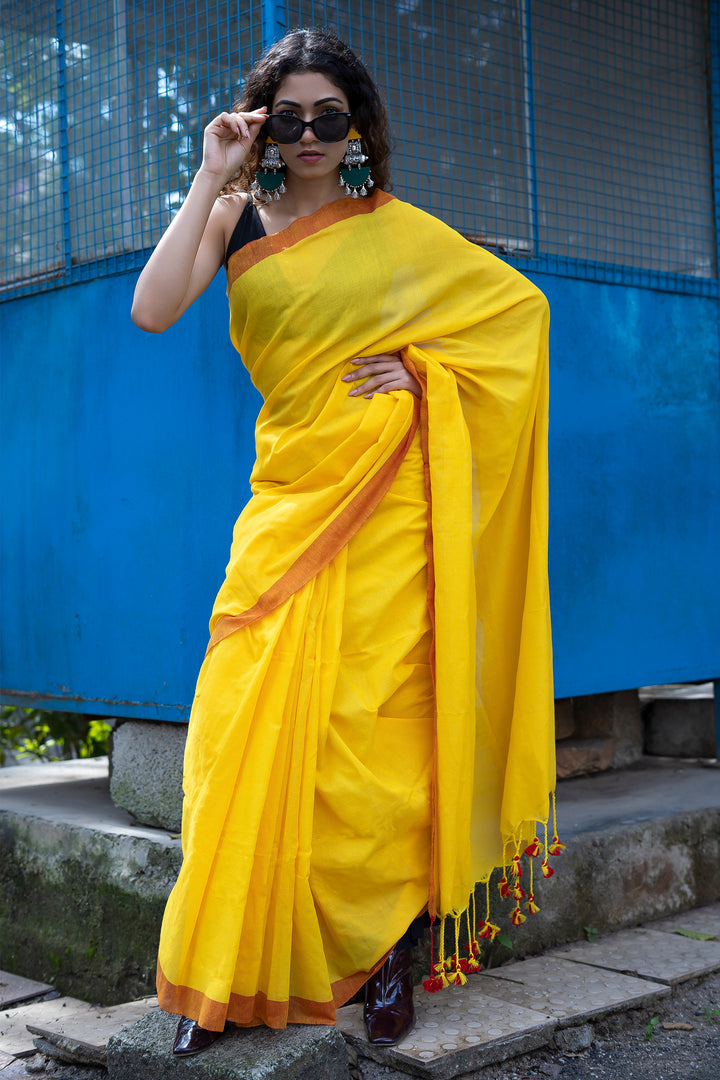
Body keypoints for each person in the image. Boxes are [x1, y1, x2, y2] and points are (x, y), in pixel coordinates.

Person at [131, 27, 556, 1058]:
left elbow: (517, 315)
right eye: (290, 116)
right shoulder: (234, 220)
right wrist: (209, 174)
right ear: (263, 124)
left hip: (388, 510)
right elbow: (152, 310)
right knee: (243, 723)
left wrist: (426, 377)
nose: (312, 134)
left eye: (331, 116)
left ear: (357, 126)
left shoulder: (396, 229)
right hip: (288, 500)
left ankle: (388, 958)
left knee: (373, 745)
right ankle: (229, 972)